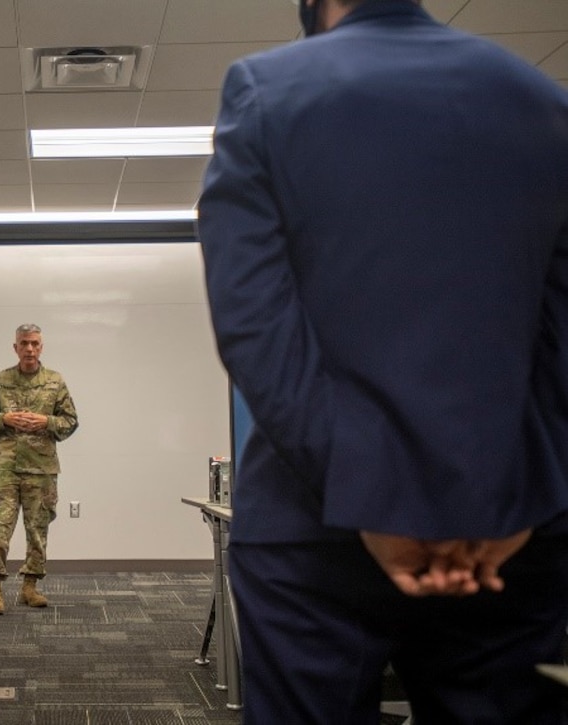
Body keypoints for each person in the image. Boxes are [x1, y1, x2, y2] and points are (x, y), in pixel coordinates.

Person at [197, 0, 568, 722]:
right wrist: (521, 495)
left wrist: (371, 497)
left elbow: (256, 330)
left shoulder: (266, 90)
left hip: (317, 527)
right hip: (508, 532)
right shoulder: (543, 98)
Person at [0, 324, 79, 615]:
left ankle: (30, 587)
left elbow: (70, 421)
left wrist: (46, 422)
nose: (30, 349)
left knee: (37, 532)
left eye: (35, 343)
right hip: (5, 470)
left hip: (41, 469)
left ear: (41, 347)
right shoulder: (1, 380)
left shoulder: (55, 381)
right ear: (16, 347)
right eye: (24, 343)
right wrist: (5, 418)